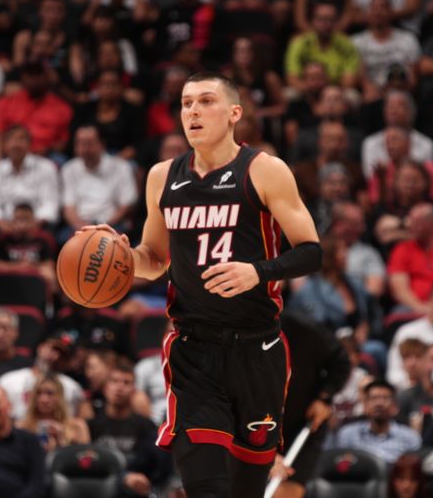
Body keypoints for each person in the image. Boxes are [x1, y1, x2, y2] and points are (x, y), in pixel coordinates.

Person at [83, 71, 322, 497]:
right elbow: (154, 261)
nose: (193, 111)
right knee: (204, 486)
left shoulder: (264, 170)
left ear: (234, 113)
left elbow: (311, 251)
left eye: (206, 101)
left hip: (258, 349)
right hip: (193, 351)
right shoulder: (162, 176)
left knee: (246, 488)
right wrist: (120, 256)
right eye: (186, 103)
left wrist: (257, 271)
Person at [268, 312, 351, 498]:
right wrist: (266, 455)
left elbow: (341, 361)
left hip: (301, 423)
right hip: (248, 427)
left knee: (284, 491)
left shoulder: (304, 327)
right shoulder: (233, 332)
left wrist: (324, 397)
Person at [88, 359, 170, 497]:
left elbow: (158, 467)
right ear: (105, 387)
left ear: (134, 390)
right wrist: (123, 477)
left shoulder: (145, 426)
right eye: (114, 381)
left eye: (126, 382)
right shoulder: (91, 424)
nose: (119, 387)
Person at [0, 334, 85, 420]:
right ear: (40, 348)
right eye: (53, 350)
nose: (56, 357)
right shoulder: (9, 381)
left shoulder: (72, 388)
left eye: (62, 355)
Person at [334, 379, 421, 464]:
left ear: (395, 407)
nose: (379, 403)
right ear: (365, 406)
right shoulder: (348, 434)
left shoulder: (410, 438)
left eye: (385, 398)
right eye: (374, 398)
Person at [17, 373, 90, 452]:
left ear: (60, 397)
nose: (44, 399)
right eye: (39, 393)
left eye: (50, 393)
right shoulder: (22, 428)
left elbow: (86, 459)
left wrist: (61, 441)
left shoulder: (77, 427)